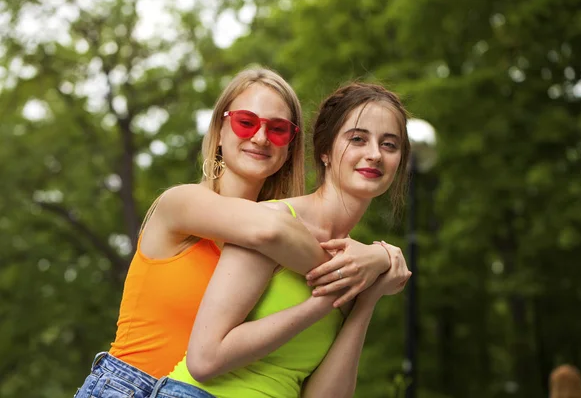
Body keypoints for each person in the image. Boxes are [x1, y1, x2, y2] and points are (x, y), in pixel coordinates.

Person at [74, 69, 397, 398]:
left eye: (278, 129)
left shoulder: (278, 235)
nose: (260, 137)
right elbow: (271, 229)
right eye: (246, 122)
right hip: (126, 386)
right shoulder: (182, 204)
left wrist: (368, 266)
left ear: (290, 147)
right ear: (219, 131)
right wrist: (372, 262)